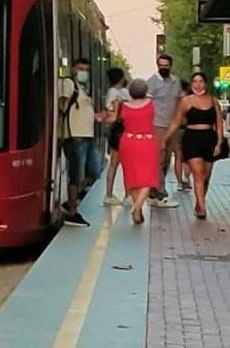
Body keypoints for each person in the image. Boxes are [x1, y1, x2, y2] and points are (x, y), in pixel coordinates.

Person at [163, 72, 224, 219]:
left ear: (206, 84)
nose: (198, 84)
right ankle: (202, 208)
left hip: (209, 139)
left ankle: (200, 201)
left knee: (206, 176)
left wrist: (219, 142)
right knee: (198, 174)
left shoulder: (213, 101)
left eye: (201, 81)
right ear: (191, 84)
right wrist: (164, 139)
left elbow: (219, 123)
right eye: (195, 82)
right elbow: (176, 122)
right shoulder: (186, 101)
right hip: (192, 139)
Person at [59, 57, 106, 227]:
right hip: (75, 136)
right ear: (73, 69)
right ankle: (72, 211)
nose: (83, 72)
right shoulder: (68, 85)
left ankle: (71, 202)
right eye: (80, 68)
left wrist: (97, 117)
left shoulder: (83, 88)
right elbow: (61, 106)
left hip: (87, 135)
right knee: (76, 174)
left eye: (86, 69)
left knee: (94, 171)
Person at [117, 78, 161, 224]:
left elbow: (117, 120)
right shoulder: (151, 105)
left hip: (128, 142)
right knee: (149, 176)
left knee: (133, 176)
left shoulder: (124, 106)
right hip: (148, 142)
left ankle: (138, 209)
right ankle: (137, 206)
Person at [147, 54, 183, 207]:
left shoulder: (176, 82)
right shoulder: (152, 82)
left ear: (170, 66)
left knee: (167, 159)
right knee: (158, 158)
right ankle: (161, 193)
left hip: (172, 126)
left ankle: (153, 192)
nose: (163, 68)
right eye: (161, 65)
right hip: (157, 125)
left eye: (166, 65)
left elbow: (180, 101)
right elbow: (148, 104)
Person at [102, 67, 129, 206]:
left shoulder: (115, 92)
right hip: (120, 130)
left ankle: (110, 193)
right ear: (121, 78)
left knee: (115, 163)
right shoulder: (116, 93)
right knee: (119, 163)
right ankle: (124, 195)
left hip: (117, 130)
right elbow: (113, 114)